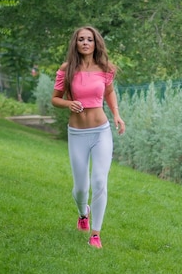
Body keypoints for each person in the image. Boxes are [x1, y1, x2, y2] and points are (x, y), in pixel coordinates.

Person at [51, 26, 126, 249]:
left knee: (100, 181)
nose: (85, 43)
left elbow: (109, 92)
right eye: (81, 39)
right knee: (81, 187)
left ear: (96, 43)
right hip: (77, 134)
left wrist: (116, 114)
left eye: (89, 39)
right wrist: (68, 103)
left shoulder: (105, 69)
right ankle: (83, 213)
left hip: (101, 131)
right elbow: (55, 98)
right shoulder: (67, 69)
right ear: (75, 43)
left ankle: (95, 233)